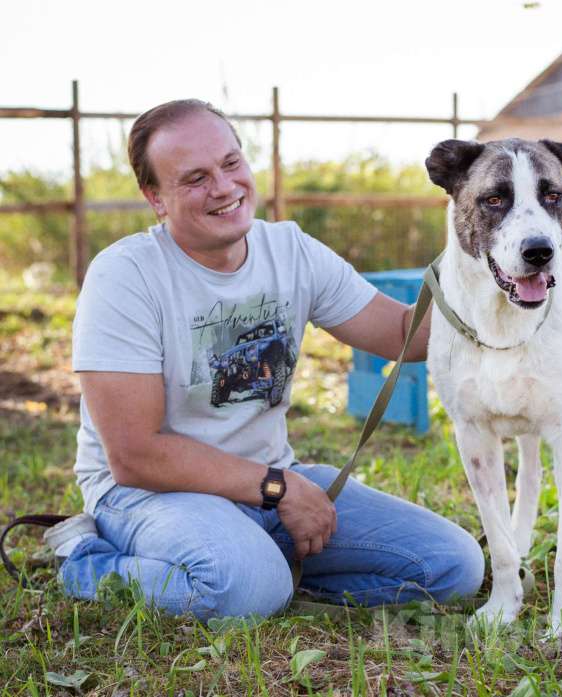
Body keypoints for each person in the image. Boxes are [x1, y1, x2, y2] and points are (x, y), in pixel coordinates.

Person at [45, 99, 484, 620]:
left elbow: (402, 335)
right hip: (146, 494)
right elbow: (135, 454)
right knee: (244, 590)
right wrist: (280, 488)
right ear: (155, 198)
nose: (225, 187)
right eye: (195, 178)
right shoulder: (125, 277)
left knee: (454, 566)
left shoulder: (290, 250)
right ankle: (84, 558)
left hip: (270, 485)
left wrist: (487, 261)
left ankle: (262, 567)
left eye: (231, 164)